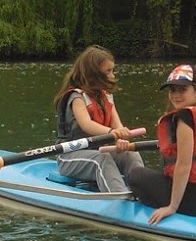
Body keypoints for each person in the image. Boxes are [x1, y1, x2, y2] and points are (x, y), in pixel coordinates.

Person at [118, 63, 196, 223]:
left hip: (194, 202)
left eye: (182, 89)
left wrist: (172, 207)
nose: (176, 95)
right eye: (172, 90)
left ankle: (158, 211)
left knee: (135, 174)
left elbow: (183, 165)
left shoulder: (184, 119)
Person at [52, 46, 140, 193]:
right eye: (108, 71)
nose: (113, 76)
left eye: (113, 70)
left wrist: (121, 140)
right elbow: (86, 125)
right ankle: (119, 198)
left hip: (98, 150)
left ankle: (141, 193)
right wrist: (113, 132)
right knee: (102, 159)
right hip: (70, 156)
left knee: (131, 154)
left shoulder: (106, 97)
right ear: (93, 74)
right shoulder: (77, 97)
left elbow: (117, 126)